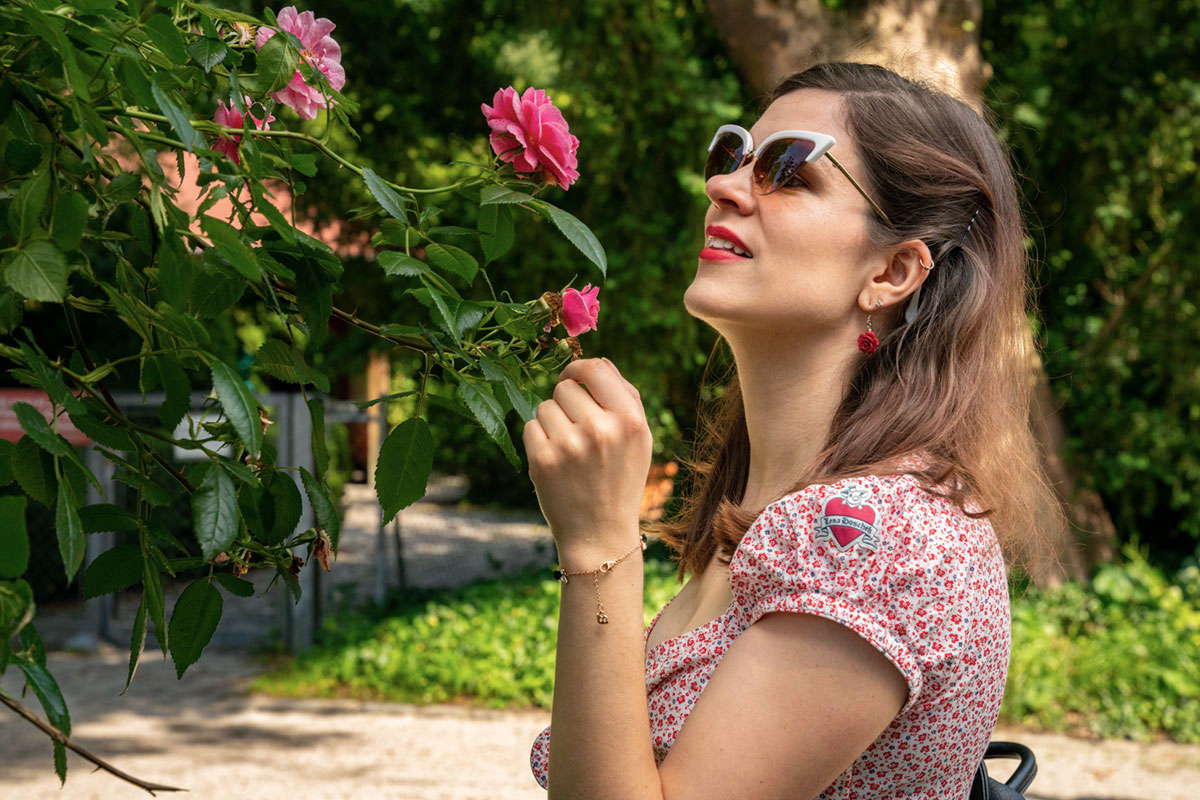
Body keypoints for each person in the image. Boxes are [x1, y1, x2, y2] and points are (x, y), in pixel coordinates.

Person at [521, 61, 1059, 799]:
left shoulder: (879, 539)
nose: (724, 186)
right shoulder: (778, 517)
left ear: (893, 272)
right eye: (733, 155)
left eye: (789, 171)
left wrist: (600, 545)